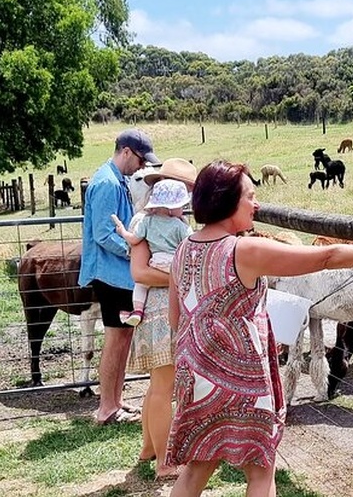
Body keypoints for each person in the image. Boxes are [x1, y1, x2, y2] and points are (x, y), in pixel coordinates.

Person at [166, 160, 353, 497]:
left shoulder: (184, 248)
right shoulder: (243, 250)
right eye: (250, 196)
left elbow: (177, 318)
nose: (256, 204)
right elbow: (326, 258)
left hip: (196, 373)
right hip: (241, 376)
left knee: (196, 468)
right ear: (226, 200)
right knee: (261, 470)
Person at [78, 128, 159, 425]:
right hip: (111, 275)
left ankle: (115, 401)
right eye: (140, 159)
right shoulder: (107, 184)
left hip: (120, 276)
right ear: (126, 151)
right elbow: (102, 233)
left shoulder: (116, 180)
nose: (142, 166)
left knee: (123, 338)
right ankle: (106, 408)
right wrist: (133, 252)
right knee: (115, 340)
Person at [125, 158, 198, 479]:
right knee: (164, 387)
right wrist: (181, 278)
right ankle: (166, 462)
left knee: (158, 385)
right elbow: (140, 272)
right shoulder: (146, 221)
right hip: (160, 310)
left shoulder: (155, 221)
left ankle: (149, 447)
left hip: (158, 307)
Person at [111, 178, 193, 327]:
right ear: (171, 208)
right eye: (182, 205)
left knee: (140, 285)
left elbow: (134, 239)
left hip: (156, 261)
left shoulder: (146, 222)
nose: (183, 209)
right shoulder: (180, 225)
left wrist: (122, 231)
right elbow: (190, 244)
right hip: (174, 262)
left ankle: (137, 310)